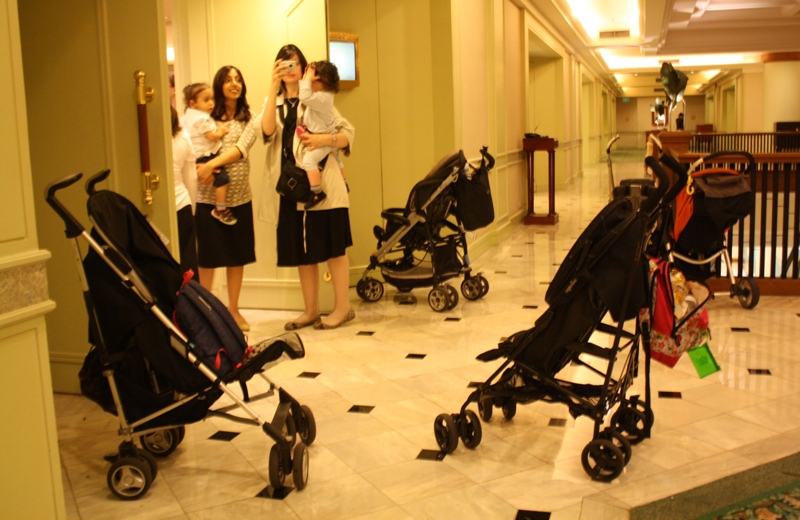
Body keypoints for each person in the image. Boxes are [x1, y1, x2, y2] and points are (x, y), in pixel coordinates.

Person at [259, 44, 355, 331]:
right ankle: (310, 310)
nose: (289, 69)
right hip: (291, 188)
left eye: (294, 64)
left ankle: (343, 308)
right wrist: (271, 86)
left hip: (324, 187)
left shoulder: (315, 99)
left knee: (334, 249)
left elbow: (348, 134)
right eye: (283, 64)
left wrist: (325, 140)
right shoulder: (274, 105)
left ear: (304, 69)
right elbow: (265, 131)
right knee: (303, 251)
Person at [195, 66, 260, 331]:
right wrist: (202, 168)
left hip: (240, 199)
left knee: (237, 256)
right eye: (228, 80)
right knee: (207, 258)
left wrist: (212, 165)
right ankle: (204, 311)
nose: (234, 84)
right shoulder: (206, 118)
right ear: (219, 85)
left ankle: (233, 309)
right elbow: (193, 147)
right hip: (207, 200)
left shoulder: (250, 118)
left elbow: (240, 150)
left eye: (238, 79)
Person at [181, 82, 236, 225]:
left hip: (195, 156)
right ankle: (220, 209)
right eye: (206, 100)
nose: (211, 103)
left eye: (212, 99)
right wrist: (221, 131)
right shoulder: (202, 118)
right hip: (205, 155)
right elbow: (212, 136)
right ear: (192, 103)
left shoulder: (186, 117)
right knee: (223, 179)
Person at [296, 60, 345, 209]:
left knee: (309, 161)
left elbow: (303, 96)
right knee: (337, 159)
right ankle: (345, 182)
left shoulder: (323, 98)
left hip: (323, 138)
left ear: (323, 80)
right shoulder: (322, 96)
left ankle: (316, 192)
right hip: (326, 133)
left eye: (312, 79)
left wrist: (307, 78)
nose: (307, 82)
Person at [170, 105, 198, 280]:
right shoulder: (182, 136)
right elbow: (191, 179)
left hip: (151, 210)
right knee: (187, 264)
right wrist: (192, 210)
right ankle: (190, 305)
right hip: (182, 204)